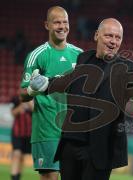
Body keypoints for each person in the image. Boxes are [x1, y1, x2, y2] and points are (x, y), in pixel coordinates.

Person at [27, 18, 133, 180]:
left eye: (118, 38)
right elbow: (68, 81)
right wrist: (45, 84)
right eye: (109, 36)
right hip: (70, 145)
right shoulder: (83, 58)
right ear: (96, 35)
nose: (113, 42)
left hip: (100, 149)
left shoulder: (129, 68)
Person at [20, 6, 83, 180]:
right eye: (57, 22)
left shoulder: (80, 55)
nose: (62, 26)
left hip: (74, 131)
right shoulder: (37, 55)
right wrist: (32, 89)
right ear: (47, 25)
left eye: (65, 22)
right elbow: (22, 94)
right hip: (47, 131)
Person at [10, 94, 33, 180]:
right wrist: (21, 105)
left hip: (28, 134)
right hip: (17, 133)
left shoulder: (34, 99)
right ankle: (14, 177)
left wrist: (29, 102)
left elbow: (35, 111)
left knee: (22, 157)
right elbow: (13, 113)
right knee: (17, 154)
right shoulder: (16, 99)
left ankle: (17, 176)